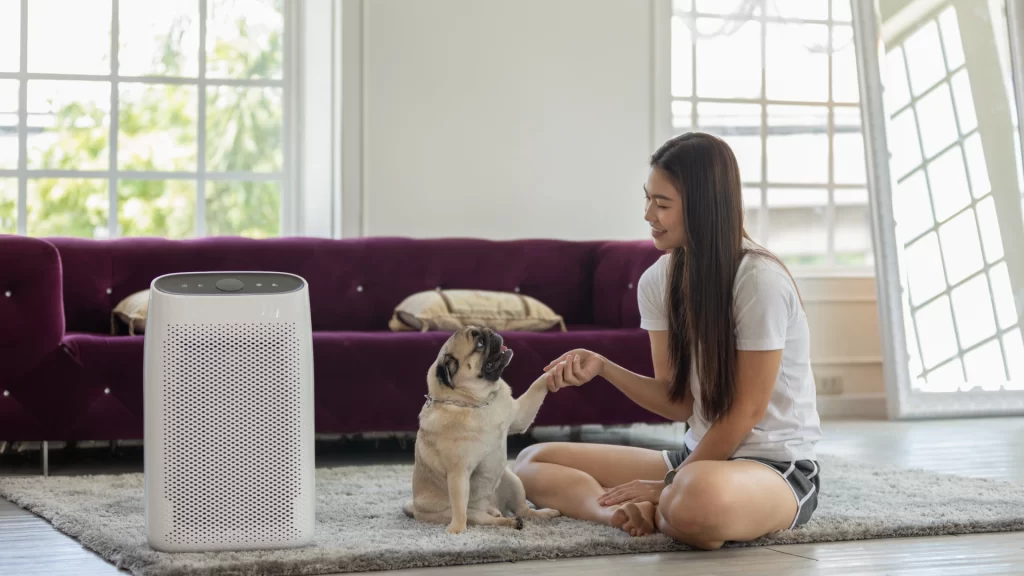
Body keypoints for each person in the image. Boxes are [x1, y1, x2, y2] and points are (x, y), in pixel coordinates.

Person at [511, 132, 822, 550]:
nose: (648, 215)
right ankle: (618, 514)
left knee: (695, 498)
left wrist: (670, 483)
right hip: (695, 460)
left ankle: (671, 503)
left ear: (703, 206)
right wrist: (603, 367)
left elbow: (745, 411)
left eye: (662, 204)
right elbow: (678, 402)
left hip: (774, 468)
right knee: (533, 461)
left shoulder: (758, 281)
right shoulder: (659, 280)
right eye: (648, 200)